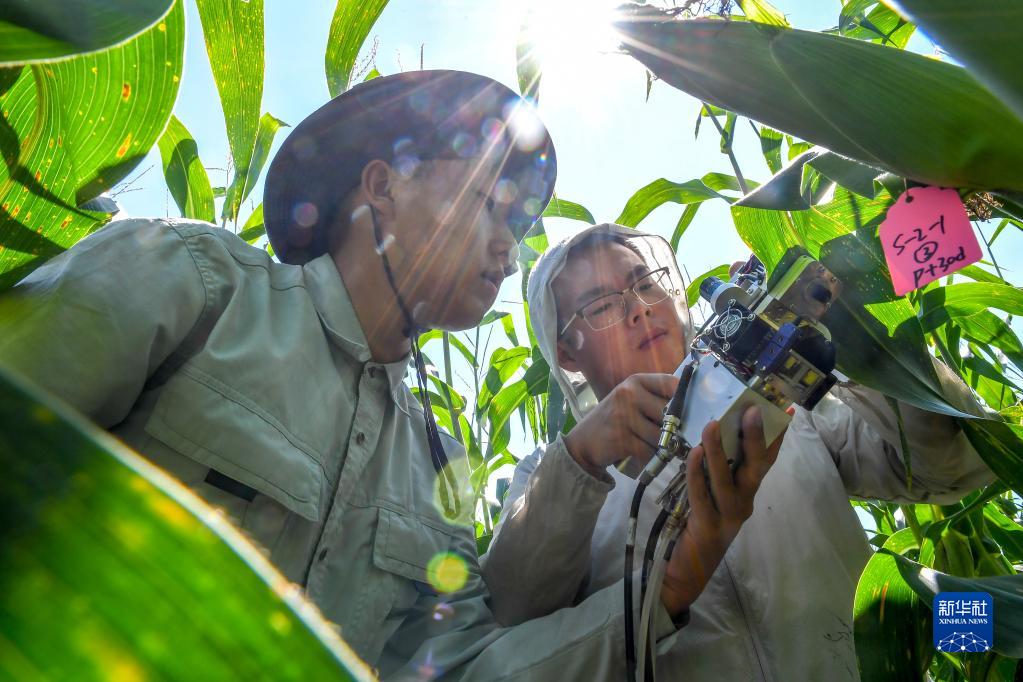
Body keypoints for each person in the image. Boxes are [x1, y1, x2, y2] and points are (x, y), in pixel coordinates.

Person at [0, 69, 766, 680]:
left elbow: (459, 666)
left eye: (520, 226)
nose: (507, 247)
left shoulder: (440, 468)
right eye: (488, 204)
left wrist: (667, 586)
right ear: (380, 185)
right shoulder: (191, 285)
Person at [482, 222, 997, 680]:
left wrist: (866, 348)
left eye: (645, 283)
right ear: (566, 352)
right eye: (601, 307)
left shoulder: (788, 412)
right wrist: (579, 460)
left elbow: (952, 466)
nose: (638, 308)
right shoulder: (557, 478)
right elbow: (514, 615)